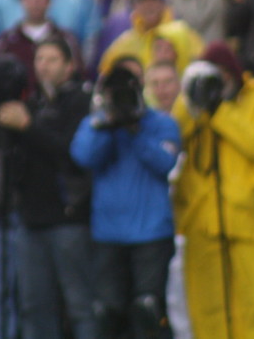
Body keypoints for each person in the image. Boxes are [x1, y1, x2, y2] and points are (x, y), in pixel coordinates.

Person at [175, 43, 254, 339]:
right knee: (207, 309)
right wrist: (194, 100)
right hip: (202, 224)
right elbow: (174, 133)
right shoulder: (191, 103)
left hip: (250, 222)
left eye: (223, 74)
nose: (218, 81)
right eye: (212, 75)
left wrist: (219, 111)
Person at [0, 37, 97, 338]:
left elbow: (72, 156)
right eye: (39, 60)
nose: (44, 66)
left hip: (69, 218)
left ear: (69, 65)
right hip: (30, 220)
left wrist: (28, 127)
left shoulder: (81, 102)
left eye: (52, 60)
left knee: (81, 307)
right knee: (34, 307)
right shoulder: (31, 103)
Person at [70, 65, 181, 338]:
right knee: (108, 313)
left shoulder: (161, 124)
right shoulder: (97, 124)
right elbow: (83, 157)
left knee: (149, 310)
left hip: (152, 233)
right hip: (109, 234)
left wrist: (135, 129)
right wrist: (108, 126)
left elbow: (165, 162)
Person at [0, 0, 82, 91]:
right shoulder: (6, 41)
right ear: (22, 1)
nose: (35, 3)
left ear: (49, 2)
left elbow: (78, 76)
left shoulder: (65, 39)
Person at [99, 0, 202, 76]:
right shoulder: (125, 42)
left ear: (163, 4)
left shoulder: (182, 33)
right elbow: (105, 71)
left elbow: (200, 63)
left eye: (153, 0)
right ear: (135, 6)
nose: (148, 6)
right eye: (143, 1)